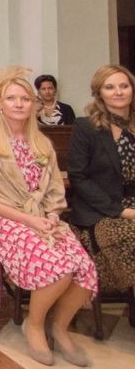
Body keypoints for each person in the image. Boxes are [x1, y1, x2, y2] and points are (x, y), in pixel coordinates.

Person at [0, 66, 96, 367]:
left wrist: (52, 214)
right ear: (0, 103)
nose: (18, 104)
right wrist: (29, 221)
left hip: (40, 216)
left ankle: (60, 327)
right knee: (58, 266)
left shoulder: (42, 144)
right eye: (11, 98)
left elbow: (53, 188)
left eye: (25, 98)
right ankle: (35, 325)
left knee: (84, 267)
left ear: (34, 103)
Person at [67, 65, 135, 294]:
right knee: (129, 235)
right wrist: (121, 211)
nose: (118, 92)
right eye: (110, 87)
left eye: (124, 86)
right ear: (99, 93)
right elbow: (79, 177)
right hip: (103, 210)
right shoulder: (86, 127)